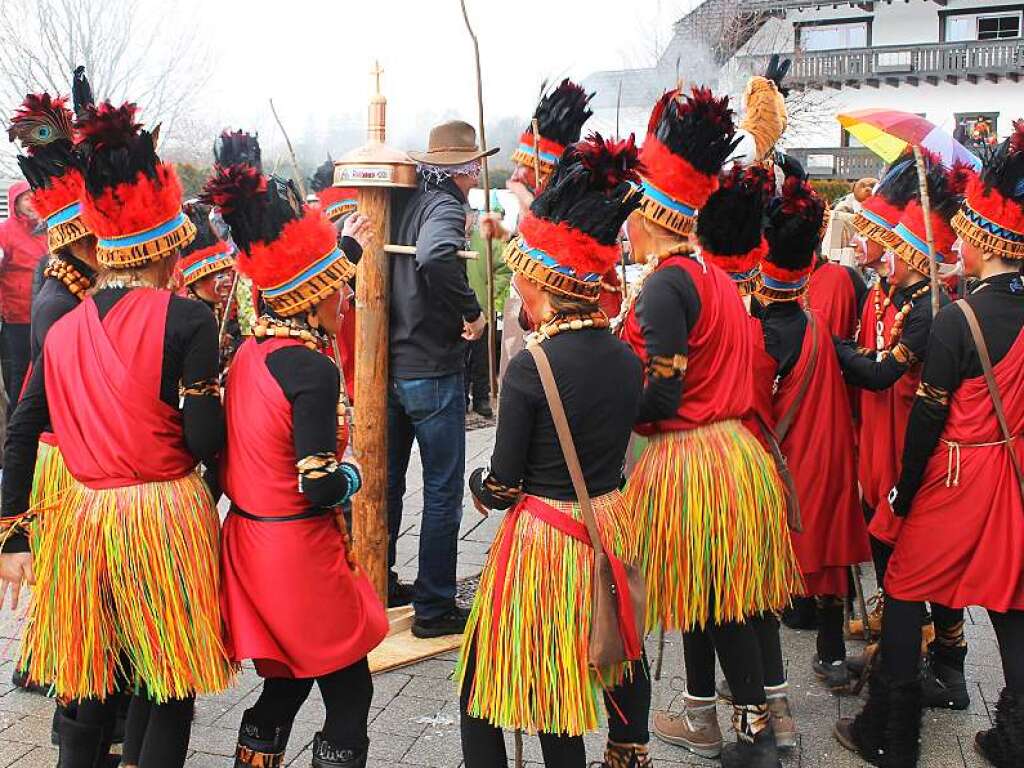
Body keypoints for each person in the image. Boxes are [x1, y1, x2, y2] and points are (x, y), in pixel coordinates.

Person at [0, 100, 233, 768]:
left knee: (92, 673)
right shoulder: (187, 322)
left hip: (83, 518)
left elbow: (21, 429)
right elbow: (201, 440)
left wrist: (13, 532)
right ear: (166, 249)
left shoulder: (65, 322)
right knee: (167, 680)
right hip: (163, 514)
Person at [621, 87, 801, 768]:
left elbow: (663, 391)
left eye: (632, 214)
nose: (625, 228)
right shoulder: (714, 279)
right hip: (731, 455)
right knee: (719, 597)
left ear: (650, 215)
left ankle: (756, 736)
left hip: (696, 458)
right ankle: (744, 724)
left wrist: (618, 408)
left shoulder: (668, 284)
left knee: (721, 601)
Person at [836, 121, 1024, 768]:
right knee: (1011, 602)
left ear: (981, 241)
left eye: (967, 232)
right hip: (1014, 473)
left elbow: (924, 419)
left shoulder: (956, 318)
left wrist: (902, 489)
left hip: (959, 470)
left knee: (909, 578)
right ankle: (1016, 736)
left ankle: (891, 733)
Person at [460, 133, 649, 768]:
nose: (517, 291)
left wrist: (481, 486)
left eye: (521, 280)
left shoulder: (530, 367)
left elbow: (507, 484)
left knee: (491, 690)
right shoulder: (626, 358)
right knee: (578, 687)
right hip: (607, 527)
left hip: (546, 545)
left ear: (541, 283)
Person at [204, 159, 387, 768]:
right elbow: (318, 485)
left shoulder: (251, 354)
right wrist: (355, 475)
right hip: (297, 552)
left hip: (252, 541)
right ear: (314, 300)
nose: (343, 302)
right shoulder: (312, 367)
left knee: (286, 682)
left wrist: (350, 246)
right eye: (337, 291)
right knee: (350, 690)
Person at [836, 162, 971, 710]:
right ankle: (911, 646)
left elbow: (882, 371)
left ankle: (933, 658)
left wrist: (840, 353)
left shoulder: (924, 314)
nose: (878, 248)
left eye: (889, 243)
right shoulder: (896, 300)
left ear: (912, 257)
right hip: (883, 431)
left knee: (912, 554)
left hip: (908, 440)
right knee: (890, 541)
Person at [755, 177, 871, 692]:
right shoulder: (820, 326)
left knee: (762, 565)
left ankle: (761, 675)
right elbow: (873, 373)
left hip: (780, 466)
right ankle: (829, 656)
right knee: (826, 560)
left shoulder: (758, 336)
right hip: (827, 464)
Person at [387, 120, 494, 634]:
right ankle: (433, 608)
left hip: (395, 365)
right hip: (430, 369)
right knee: (441, 491)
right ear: (468, 168)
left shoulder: (405, 203)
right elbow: (434, 257)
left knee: (387, 487)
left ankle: (382, 587)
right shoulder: (446, 206)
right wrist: (471, 312)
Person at [480, 79, 595, 375]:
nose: (516, 173)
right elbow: (531, 247)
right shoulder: (531, 200)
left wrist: (522, 197)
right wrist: (504, 234)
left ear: (546, 171)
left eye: (525, 166)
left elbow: (552, 239)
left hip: (553, 320)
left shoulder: (572, 205)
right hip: (523, 309)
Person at [0, 179, 48, 415]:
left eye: (35, 197)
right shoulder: (4, 232)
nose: (32, 203)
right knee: (19, 374)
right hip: (17, 318)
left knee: (43, 372)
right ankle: (16, 423)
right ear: (15, 203)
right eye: (27, 198)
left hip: (46, 315)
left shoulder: (47, 230)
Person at [465, 196, 510, 418]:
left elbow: (503, 270)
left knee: (481, 357)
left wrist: (490, 293)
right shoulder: (447, 238)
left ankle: (482, 398)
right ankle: (462, 398)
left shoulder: (485, 239)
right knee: (459, 358)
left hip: (481, 307)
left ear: (472, 217)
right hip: (455, 312)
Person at [820, 177, 878, 268]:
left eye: (872, 186)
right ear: (854, 189)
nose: (868, 189)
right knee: (837, 218)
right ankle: (831, 257)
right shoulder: (844, 206)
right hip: (845, 251)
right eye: (863, 186)